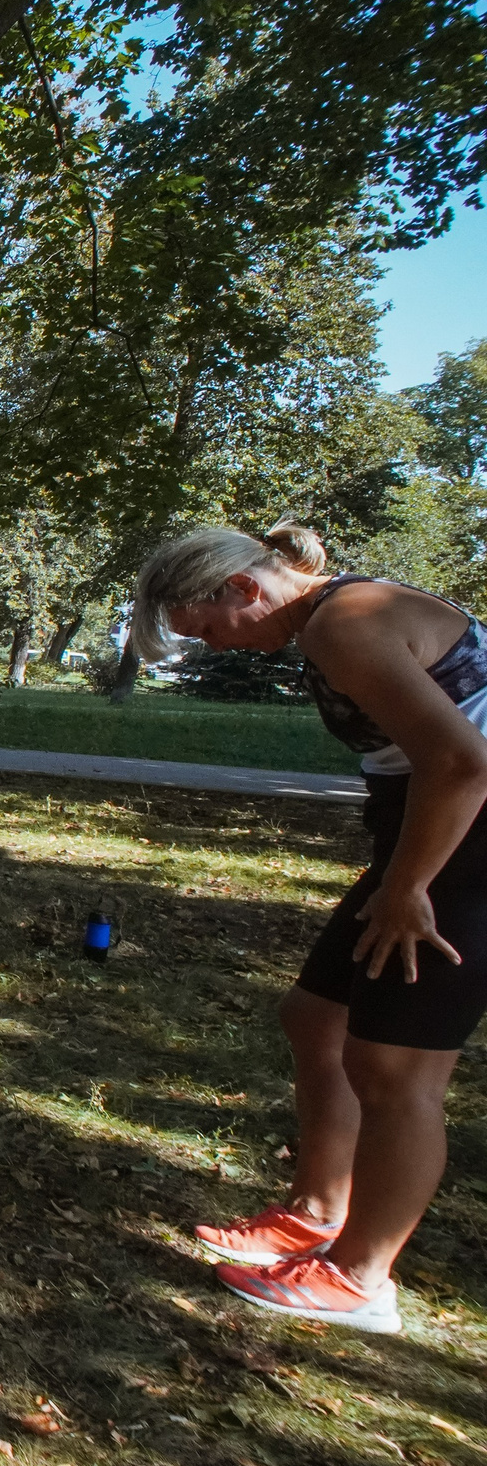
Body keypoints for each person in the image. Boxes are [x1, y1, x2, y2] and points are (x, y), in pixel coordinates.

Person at [132, 524, 487, 1334]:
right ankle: (318, 1209)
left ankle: (362, 1278)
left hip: (469, 833)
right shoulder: (334, 616)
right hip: (427, 824)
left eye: (211, 630)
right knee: (316, 1016)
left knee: (395, 1067)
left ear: (244, 590)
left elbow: (465, 764)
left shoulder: (344, 622)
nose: (229, 649)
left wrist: (409, 888)